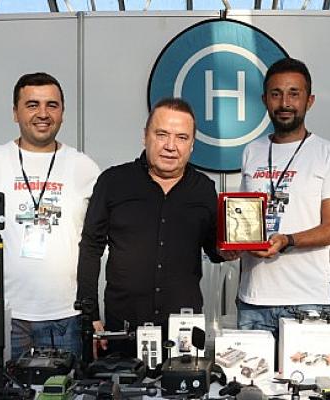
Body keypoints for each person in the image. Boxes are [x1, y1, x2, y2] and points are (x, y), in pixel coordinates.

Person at [76, 98, 229, 356]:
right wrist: (90, 314)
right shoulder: (113, 182)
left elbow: (214, 249)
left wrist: (230, 250)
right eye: (162, 134)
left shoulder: (203, 189)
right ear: (145, 136)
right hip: (122, 328)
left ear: (192, 144)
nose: (170, 146)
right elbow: (91, 247)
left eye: (181, 137)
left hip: (183, 330)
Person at [0, 72, 100, 360]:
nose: (43, 113)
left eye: (52, 105)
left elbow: (99, 239)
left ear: (63, 112)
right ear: (15, 112)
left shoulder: (84, 167)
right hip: (2, 313)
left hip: (65, 315)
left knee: (64, 385)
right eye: (32, 105)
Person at [237, 58, 330, 338]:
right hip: (253, 300)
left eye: (294, 94)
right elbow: (242, 218)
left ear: (309, 101)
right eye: (276, 94)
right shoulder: (252, 151)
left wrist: (287, 240)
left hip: (307, 300)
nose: (285, 103)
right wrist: (235, 244)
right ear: (265, 100)